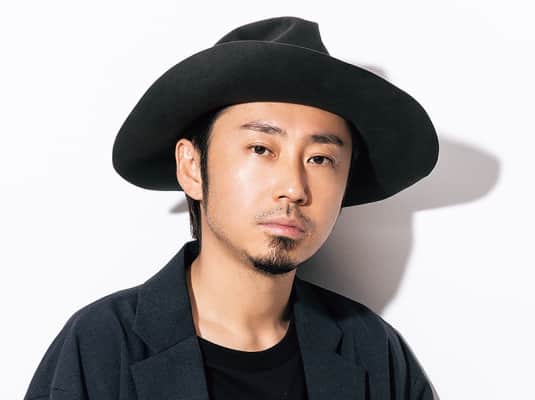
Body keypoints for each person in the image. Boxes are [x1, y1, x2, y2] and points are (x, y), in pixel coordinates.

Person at [24, 16, 439, 400]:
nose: (294, 188)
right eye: (261, 149)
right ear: (192, 167)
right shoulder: (100, 346)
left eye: (320, 159)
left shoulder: (373, 350)